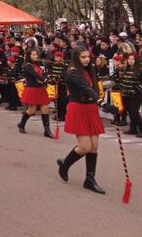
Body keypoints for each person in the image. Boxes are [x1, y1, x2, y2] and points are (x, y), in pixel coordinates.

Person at [57, 46, 106, 194]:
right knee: (85, 147)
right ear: (76, 57)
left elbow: (95, 88)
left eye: (87, 57)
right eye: (83, 57)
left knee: (94, 146)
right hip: (78, 108)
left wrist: (100, 101)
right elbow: (86, 88)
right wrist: (102, 103)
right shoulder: (72, 72)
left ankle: (90, 179)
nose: (86, 59)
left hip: (91, 109)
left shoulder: (89, 70)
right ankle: (65, 164)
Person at [17, 48, 54, 138]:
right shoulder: (27, 65)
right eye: (33, 54)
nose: (35, 56)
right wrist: (45, 80)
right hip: (32, 89)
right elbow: (35, 75)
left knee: (45, 108)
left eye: (36, 54)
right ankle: (22, 124)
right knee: (31, 110)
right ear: (29, 56)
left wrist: (50, 77)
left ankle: (47, 130)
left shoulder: (39, 64)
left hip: (41, 89)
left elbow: (44, 74)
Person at [117, 53, 142, 137]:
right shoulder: (126, 69)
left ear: (136, 60)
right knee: (129, 112)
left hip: (136, 94)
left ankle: (141, 129)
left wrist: (138, 88)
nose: (131, 61)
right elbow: (123, 81)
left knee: (134, 112)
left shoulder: (139, 70)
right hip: (126, 94)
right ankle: (133, 128)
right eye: (129, 59)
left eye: (133, 59)